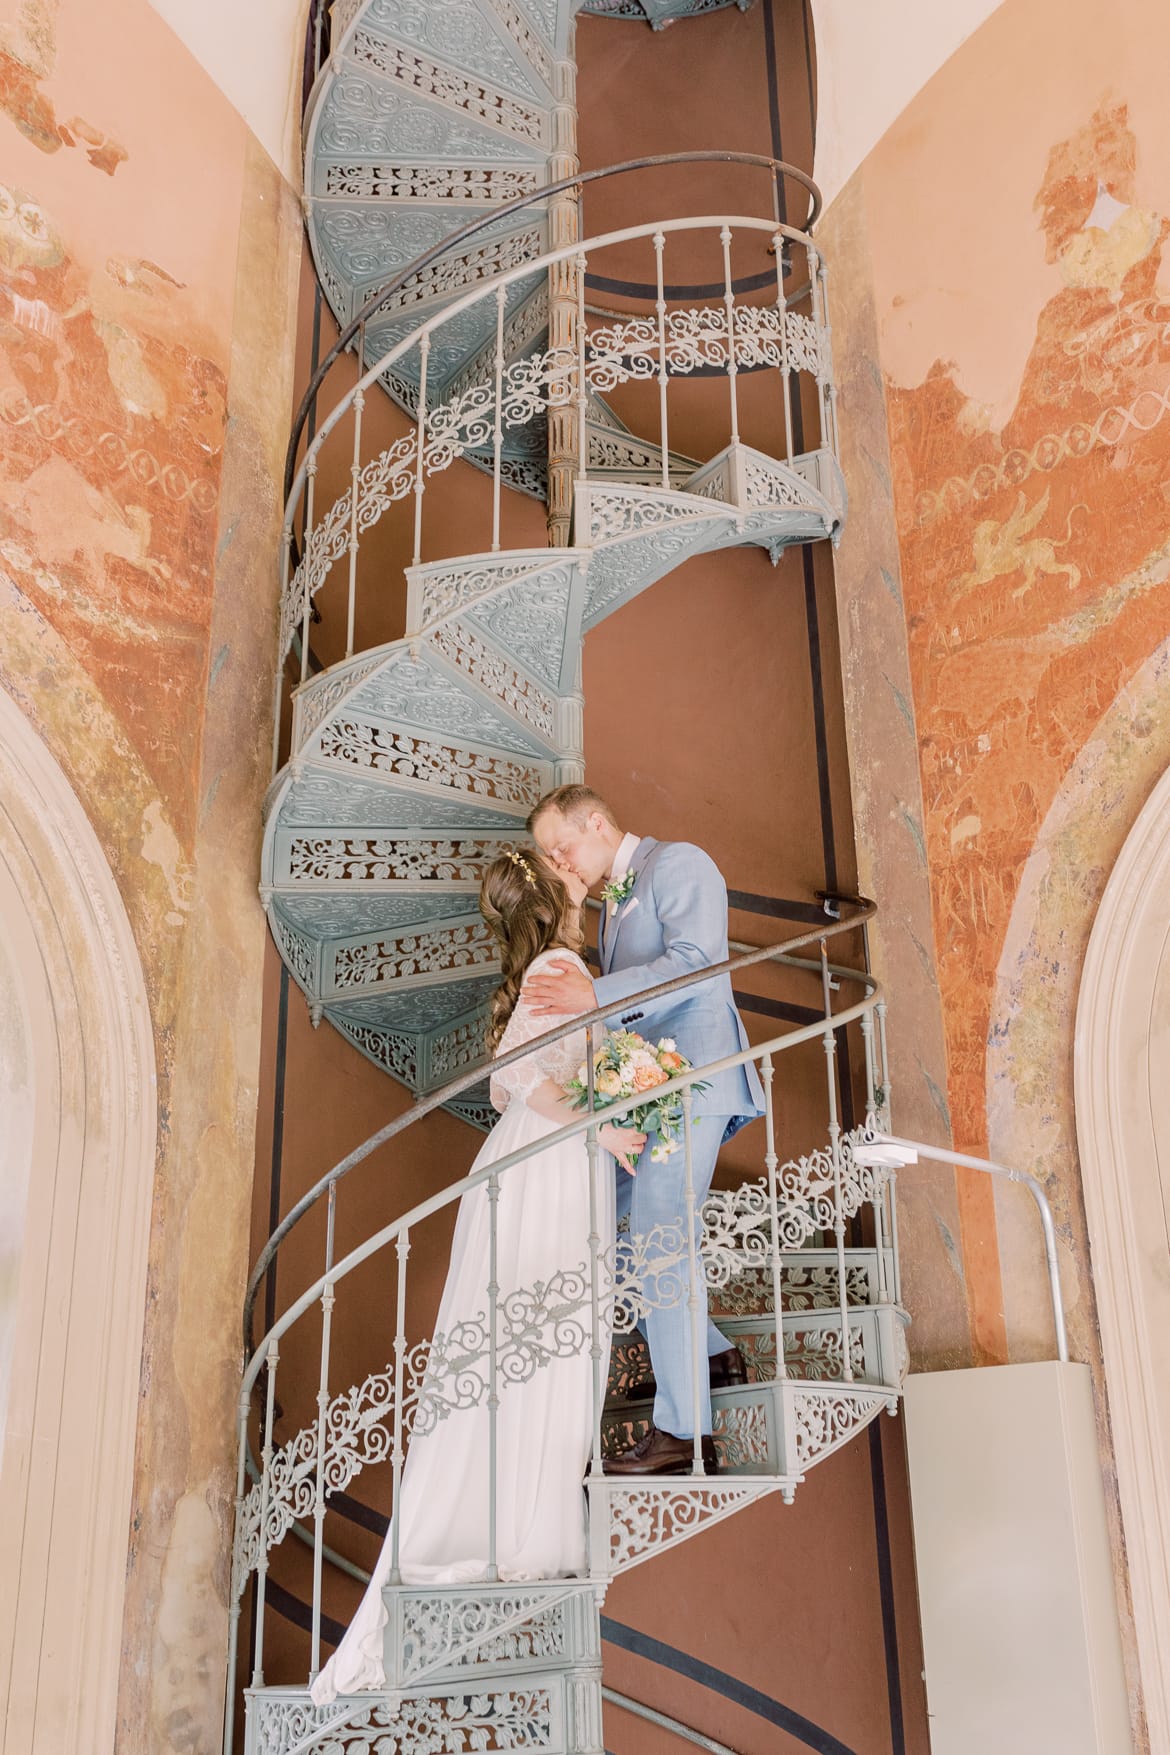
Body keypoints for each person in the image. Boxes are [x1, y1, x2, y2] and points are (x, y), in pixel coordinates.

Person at [311, 850, 645, 1705]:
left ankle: (506, 1522)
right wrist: (605, 1129)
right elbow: (518, 1078)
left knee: (521, 1347)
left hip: (530, 1165)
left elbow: (519, 1082)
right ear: (554, 899)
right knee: (538, 1343)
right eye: (566, 869)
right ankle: (517, 1532)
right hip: (548, 1166)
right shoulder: (563, 966)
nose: (583, 875)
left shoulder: (548, 970)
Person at [526, 785, 764, 1477]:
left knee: (662, 1235)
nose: (557, 861)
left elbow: (697, 964)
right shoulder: (606, 904)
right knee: (613, 1222)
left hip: (692, 1077)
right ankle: (712, 1351)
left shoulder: (681, 863)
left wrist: (593, 993)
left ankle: (685, 1432)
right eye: (547, 855)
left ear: (596, 823)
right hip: (650, 1093)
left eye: (561, 846)